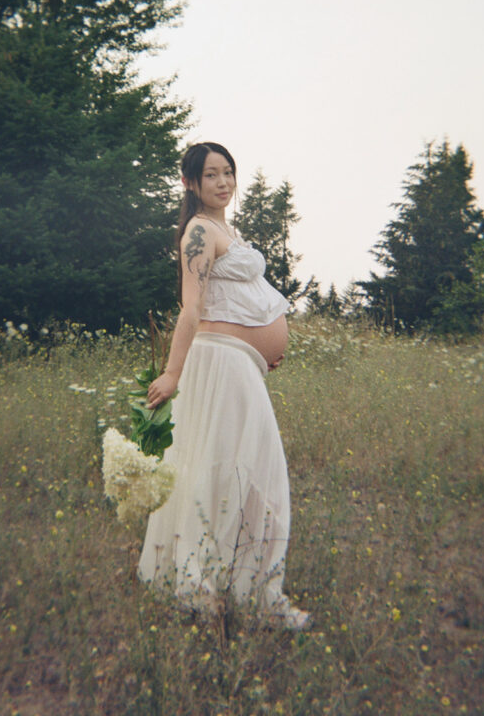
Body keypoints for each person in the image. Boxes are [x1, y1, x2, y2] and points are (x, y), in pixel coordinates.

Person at [137, 142, 310, 629]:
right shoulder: (197, 230)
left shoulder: (224, 228)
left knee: (239, 465)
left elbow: (237, 298)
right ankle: (222, 591)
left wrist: (263, 347)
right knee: (243, 468)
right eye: (211, 175)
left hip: (241, 362)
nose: (223, 182)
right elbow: (191, 309)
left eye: (228, 172)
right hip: (219, 361)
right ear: (191, 183)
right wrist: (172, 373)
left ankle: (245, 587)